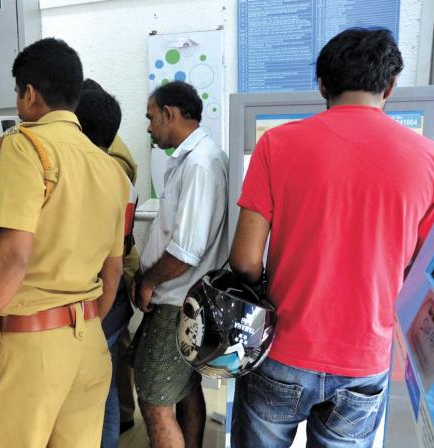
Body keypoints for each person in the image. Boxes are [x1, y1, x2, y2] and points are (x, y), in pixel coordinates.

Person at [229, 28, 434, 448]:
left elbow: (245, 260)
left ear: (321, 84)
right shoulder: (427, 159)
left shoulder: (277, 145)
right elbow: (416, 267)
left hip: (283, 349)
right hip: (364, 358)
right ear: (390, 86)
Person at [0, 38, 130, 447]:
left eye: (18, 93)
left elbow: (14, 255)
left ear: (29, 93)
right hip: (89, 343)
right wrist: (84, 326)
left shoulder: (26, 144)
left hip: (31, 346)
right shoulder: (110, 168)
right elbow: (114, 268)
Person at [132, 80, 228, 448]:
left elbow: (186, 250)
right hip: (184, 299)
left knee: (155, 402)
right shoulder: (193, 159)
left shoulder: (201, 163)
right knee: (186, 387)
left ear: (169, 114)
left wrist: (147, 281)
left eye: (151, 117)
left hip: (177, 301)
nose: (149, 126)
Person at [74, 84, 138, 448]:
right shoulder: (119, 172)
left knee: (95, 391)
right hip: (112, 300)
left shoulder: (92, 174)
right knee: (108, 384)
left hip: (93, 300)